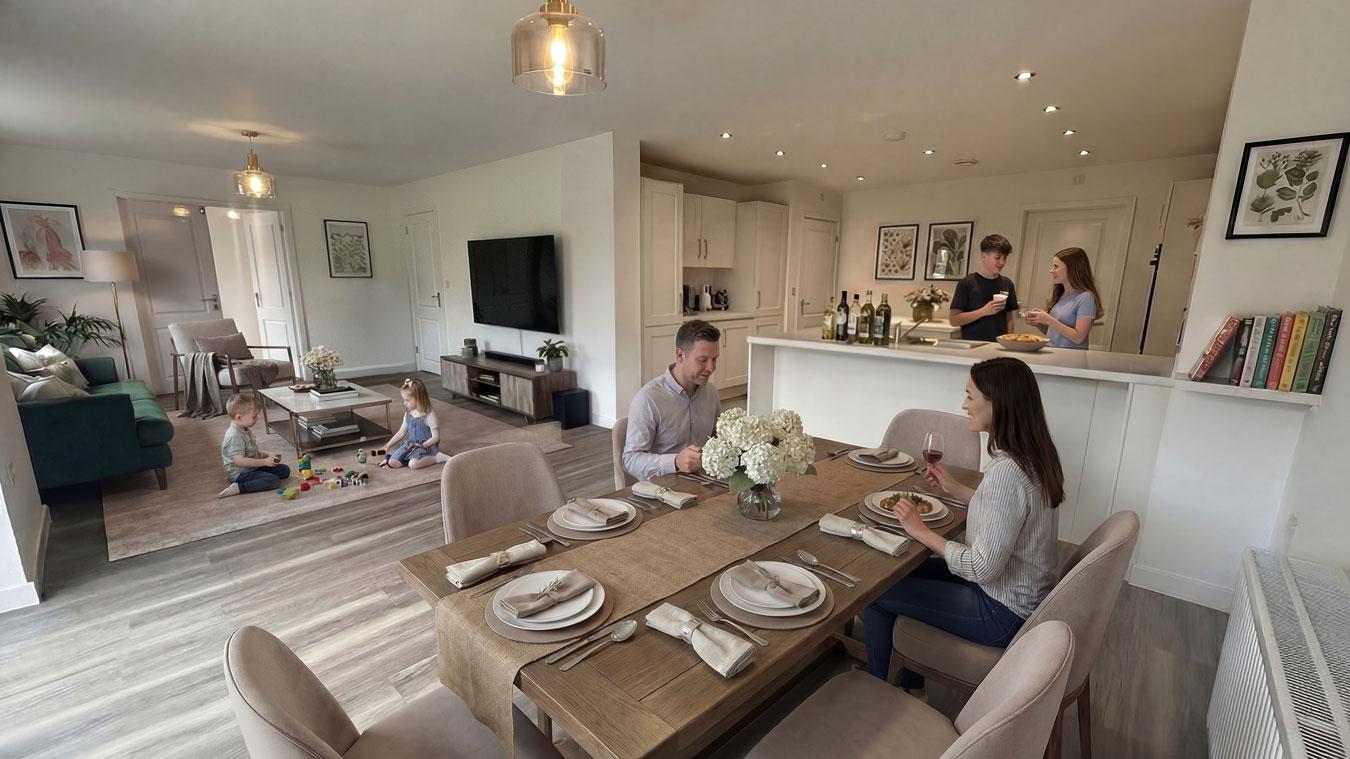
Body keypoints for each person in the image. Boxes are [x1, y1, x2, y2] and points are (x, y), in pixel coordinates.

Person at [863, 357, 1063, 696]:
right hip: (1016, 593)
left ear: (996, 403)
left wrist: (920, 531)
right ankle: (908, 678)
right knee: (894, 572)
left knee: (874, 593)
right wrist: (956, 489)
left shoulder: (1007, 473)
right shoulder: (1031, 455)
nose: (963, 404)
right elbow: (1009, 514)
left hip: (1001, 611)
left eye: (970, 396)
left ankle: (881, 691)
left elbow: (982, 567)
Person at [623, 319, 721, 481]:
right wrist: (674, 462)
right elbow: (630, 460)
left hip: (706, 483)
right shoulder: (648, 399)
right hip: (665, 491)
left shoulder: (711, 392)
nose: (711, 368)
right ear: (680, 355)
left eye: (714, 359)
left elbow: (718, 439)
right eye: (703, 360)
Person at [1023, 246, 1103, 350]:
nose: (1051, 271)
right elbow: (1055, 332)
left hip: (1071, 360)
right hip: (1053, 354)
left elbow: (1078, 337)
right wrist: (1039, 323)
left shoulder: (1086, 298)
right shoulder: (1062, 294)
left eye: (1056, 266)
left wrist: (1048, 319)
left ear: (1071, 269)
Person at [947, 234, 1019, 341]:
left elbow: (1009, 318)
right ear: (984, 255)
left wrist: (1010, 341)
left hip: (1000, 346)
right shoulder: (967, 283)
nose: (1002, 262)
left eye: (1005, 258)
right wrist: (984, 311)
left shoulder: (1007, 283)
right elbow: (954, 320)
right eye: (998, 257)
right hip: (973, 345)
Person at [217, 394, 290, 497]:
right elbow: (240, 460)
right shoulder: (234, 436)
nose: (256, 419)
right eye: (254, 416)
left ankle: (260, 477)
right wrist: (264, 462)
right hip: (241, 473)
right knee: (273, 481)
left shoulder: (244, 429)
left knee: (284, 470)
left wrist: (267, 454)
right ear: (239, 417)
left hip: (251, 468)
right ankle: (239, 487)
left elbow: (251, 450)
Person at [380, 378, 448, 470]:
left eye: (407, 400)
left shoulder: (429, 415)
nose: (404, 403)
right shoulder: (408, 414)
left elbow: (436, 437)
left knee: (413, 465)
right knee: (392, 462)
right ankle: (411, 457)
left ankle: (437, 457)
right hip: (411, 445)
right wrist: (387, 445)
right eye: (404, 400)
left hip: (426, 447)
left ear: (419, 399)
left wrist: (424, 445)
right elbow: (401, 433)